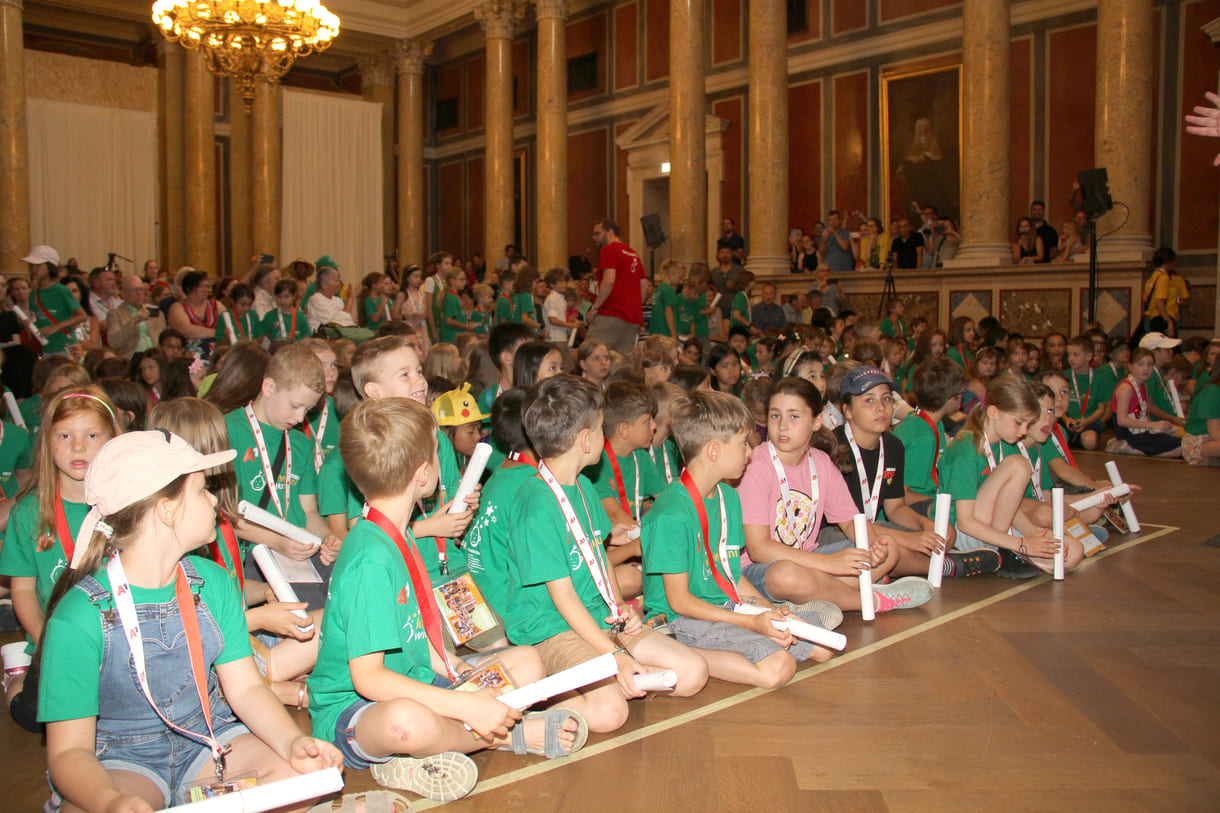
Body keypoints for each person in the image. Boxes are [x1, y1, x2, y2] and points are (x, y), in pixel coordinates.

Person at [37, 430, 345, 811]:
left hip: (210, 741)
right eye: (201, 489)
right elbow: (68, 754)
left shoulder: (211, 581)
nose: (215, 499)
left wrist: (291, 743)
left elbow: (247, 689)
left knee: (306, 776)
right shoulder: (78, 617)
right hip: (123, 760)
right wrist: (111, 800)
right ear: (167, 510)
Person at [306, 398, 586, 804]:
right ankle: (506, 735)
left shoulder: (395, 533)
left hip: (420, 680)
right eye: (437, 452)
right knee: (407, 722)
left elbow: (415, 634)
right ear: (422, 474)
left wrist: (454, 669)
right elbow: (369, 679)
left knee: (525, 660)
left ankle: (432, 749)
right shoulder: (370, 556)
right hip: (356, 709)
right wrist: (465, 704)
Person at [504, 375, 708, 733]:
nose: (605, 434)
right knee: (609, 714)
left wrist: (620, 610)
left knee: (691, 674)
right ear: (585, 441)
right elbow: (564, 599)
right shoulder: (534, 504)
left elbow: (599, 558)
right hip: (553, 629)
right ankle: (530, 704)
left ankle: (610, 680)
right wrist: (614, 654)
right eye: (601, 428)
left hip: (599, 618)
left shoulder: (582, 486)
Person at [642, 389, 838, 689]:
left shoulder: (729, 498)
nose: (750, 452)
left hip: (726, 607)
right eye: (743, 443)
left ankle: (740, 635)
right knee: (778, 667)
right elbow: (679, 601)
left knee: (822, 649)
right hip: (679, 619)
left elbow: (732, 577)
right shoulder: (670, 514)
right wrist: (751, 623)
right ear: (713, 451)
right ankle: (672, 653)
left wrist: (768, 611)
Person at [734, 377, 929, 615]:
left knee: (889, 551)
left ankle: (815, 599)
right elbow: (759, 549)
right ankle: (870, 601)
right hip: (761, 572)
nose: (783, 425)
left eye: (794, 416)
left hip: (809, 562)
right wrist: (829, 564)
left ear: (816, 422)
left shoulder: (822, 462)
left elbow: (849, 522)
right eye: (775, 416)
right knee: (786, 575)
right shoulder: (755, 464)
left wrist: (873, 544)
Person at [0, 388, 119, 731]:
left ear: (112, 440)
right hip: (58, 639)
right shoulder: (29, 512)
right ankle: (17, 676)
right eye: (65, 436)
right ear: (47, 443)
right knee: (34, 717)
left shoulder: (126, 505)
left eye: (91, 435)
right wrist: (45, 639)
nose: (78, 447)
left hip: (116, 637)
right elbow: (22, 589)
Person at [939, 378, 1056, 579]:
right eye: (1019, 423)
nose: (1024, 432)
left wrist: (1035, 535)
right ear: (993, 413)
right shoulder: (966, 447)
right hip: (961, 534)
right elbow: (966, 522)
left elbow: (1009, 505)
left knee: (1069, 555)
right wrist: (1021, 545)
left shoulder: (1005, 443)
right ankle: (1004, 551)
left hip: (992, 529)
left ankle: (1002, 550)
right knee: (1018, 464)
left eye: (1028, 424)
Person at [892, 357, 961, 510]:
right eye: (961, 392)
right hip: (910, 512)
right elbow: (902, 495)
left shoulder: (930, 422)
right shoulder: (923, 438)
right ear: (950, 402)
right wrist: (944, 506)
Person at [587, 219, 645, 357]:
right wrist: (635, 309)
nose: (594, 237)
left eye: (597, 233)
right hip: (631, 319)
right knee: (623, 364)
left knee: (591, 355)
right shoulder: (634, 254)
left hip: (611, 313)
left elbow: (609, 280)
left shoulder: (609, 250)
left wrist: (595, 307)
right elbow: (643, 286)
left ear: (610, 232)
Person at [1111, 348, 1183, 458]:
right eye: (1140, 364)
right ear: (1130, 366)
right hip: (1129, 434)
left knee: (1178, 441)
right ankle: (1127, 446)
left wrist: (1158, 428)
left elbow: (1142, 414)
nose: (1145, 369)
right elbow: (1121, 420)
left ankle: (1138, 449)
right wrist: (1153, 425)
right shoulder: (1126, 388)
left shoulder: (1142, 385)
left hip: (1141, 431)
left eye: (1150, 365)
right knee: (1181, 447)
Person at [20, 245, 87, 359]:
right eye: (31, 265)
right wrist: (30, 326)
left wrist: (56, 327)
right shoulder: (33, 294)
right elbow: (35, 319)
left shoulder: (61, 290)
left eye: (38, 265)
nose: (33, 269)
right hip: (47, 347)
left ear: (50, 267)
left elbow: (81, 316)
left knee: (76, 375)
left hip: (70, 345)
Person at [107, 275, 165, 358]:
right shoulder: (115, 314)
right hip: (130, 359)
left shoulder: (156, 312)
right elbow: (113, 342)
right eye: (134, 290)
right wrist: (133, 323)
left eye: (141, 290)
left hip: (155, 358)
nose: (139, 293)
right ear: (123, 293)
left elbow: (164, 339)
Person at [306, 265, 355, 332]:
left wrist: (353, 297)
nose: (338, 284)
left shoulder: (338, 300)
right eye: (336, 281)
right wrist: (351, 297)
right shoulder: (316, 299)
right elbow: (337, 323)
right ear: (324, 284)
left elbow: (351, 322)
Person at [651, 259, 684, 338]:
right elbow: (668, 312)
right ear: (672, 274)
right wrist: (674, 336)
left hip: (656, 332)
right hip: (665, 333)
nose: (681, 282)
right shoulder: (669, 289)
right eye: (680, 278)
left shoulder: (659, 288)